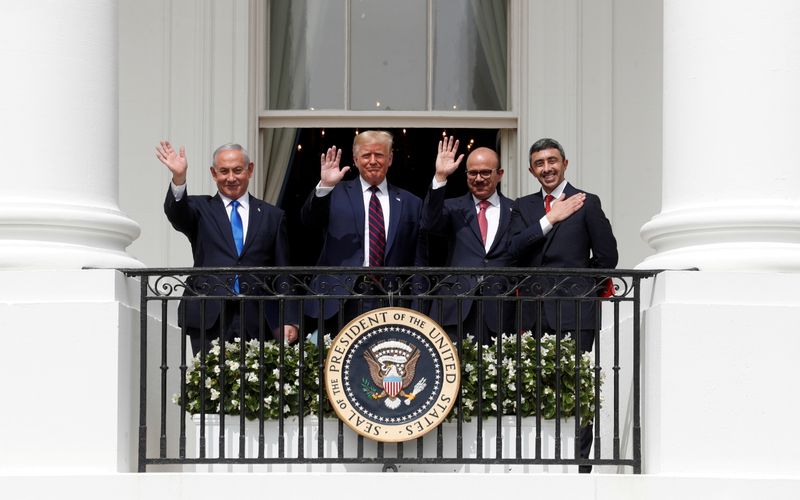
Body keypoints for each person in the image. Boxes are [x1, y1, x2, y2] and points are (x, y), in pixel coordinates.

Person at [508, 137, 618, 473]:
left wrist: (583, 292)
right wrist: (550, 219)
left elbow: (607, 258)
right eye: (539, 163)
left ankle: (580, 467)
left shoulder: (587, 202)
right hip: (533, 313)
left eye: (552, 161)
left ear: (565, 164)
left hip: (576, 312)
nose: (547, 168)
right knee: (534, 385)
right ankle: (539, 464)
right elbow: (513, 251)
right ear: (531, 170)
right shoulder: (523, 207)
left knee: (578, 386)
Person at [156, 141, 298, 354]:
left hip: (257, 315)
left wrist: (289, 319)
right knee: (207, 383)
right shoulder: (200, 208)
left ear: (250, 170)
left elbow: (282, 273)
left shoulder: (272, 216)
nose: (231, 178)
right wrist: (179, 178)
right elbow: (177, 213)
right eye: (223, 171)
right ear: (214, 173)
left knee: (254, 384)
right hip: (210, 314)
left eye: (237, 170)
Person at [300, 130, 423, 331]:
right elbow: (309, 222)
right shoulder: (335, 192)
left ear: (390, 159)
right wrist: (325, 187)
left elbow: (418, 258)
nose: (373, 161)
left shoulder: (411, 202)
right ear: (356, 160)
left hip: (390, 299)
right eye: (366, 155)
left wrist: (417, 305)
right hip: (340, 299)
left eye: (379, 155)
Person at [420, 137, 515, 344]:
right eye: (472, 173)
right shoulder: (454, 208)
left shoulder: (515, 210)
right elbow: (429, 222)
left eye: (485, 172)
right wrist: (440, 176)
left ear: (499, 174)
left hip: (500, 310)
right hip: (457, 307)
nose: (478, 178)